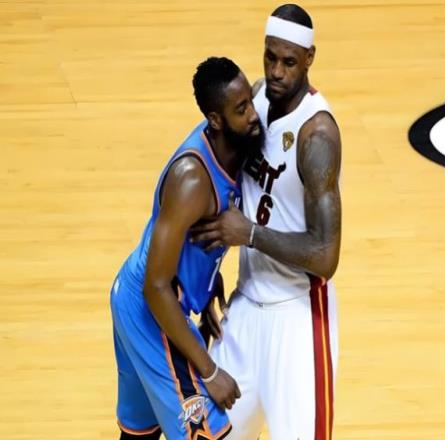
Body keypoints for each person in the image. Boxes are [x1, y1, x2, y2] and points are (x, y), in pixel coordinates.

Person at [192, 5, 342, 440]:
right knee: (208, 434)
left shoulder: (317, 135)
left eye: (289, 62)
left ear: (309, 58)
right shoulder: (253, 102)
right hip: (246, 305)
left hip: (297, 317)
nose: (276, 72)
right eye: (270, 57)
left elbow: (326, 257)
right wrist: (208, 274)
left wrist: (250, 234)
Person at [110, 56, 264, 440]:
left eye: (250, 102)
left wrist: (206, 285)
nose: (253, 116)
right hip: (150, 308)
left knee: (139, 434)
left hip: (135, 298)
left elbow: (193, 241)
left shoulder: (230, 145)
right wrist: (210, 373)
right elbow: (155, 286)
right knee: (207, 434)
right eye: (241, 109)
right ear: (215, 119)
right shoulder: (192, 179)